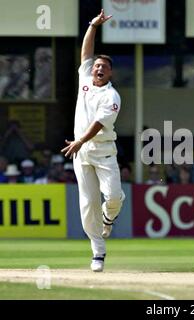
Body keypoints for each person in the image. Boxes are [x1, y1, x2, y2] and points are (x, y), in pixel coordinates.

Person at [61, 10, 125, 273]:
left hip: (104, 152)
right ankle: (98, 252)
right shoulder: (85, 80)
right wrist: (92, 25)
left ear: (110, 73)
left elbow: (98, 124)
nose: (98, 68)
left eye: (103, 67)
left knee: (112, 197)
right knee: (87, 204)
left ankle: (110, 216)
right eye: (97, 66)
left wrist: (78, 141)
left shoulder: (113, 97)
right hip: (82, 155)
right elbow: (86, 54)